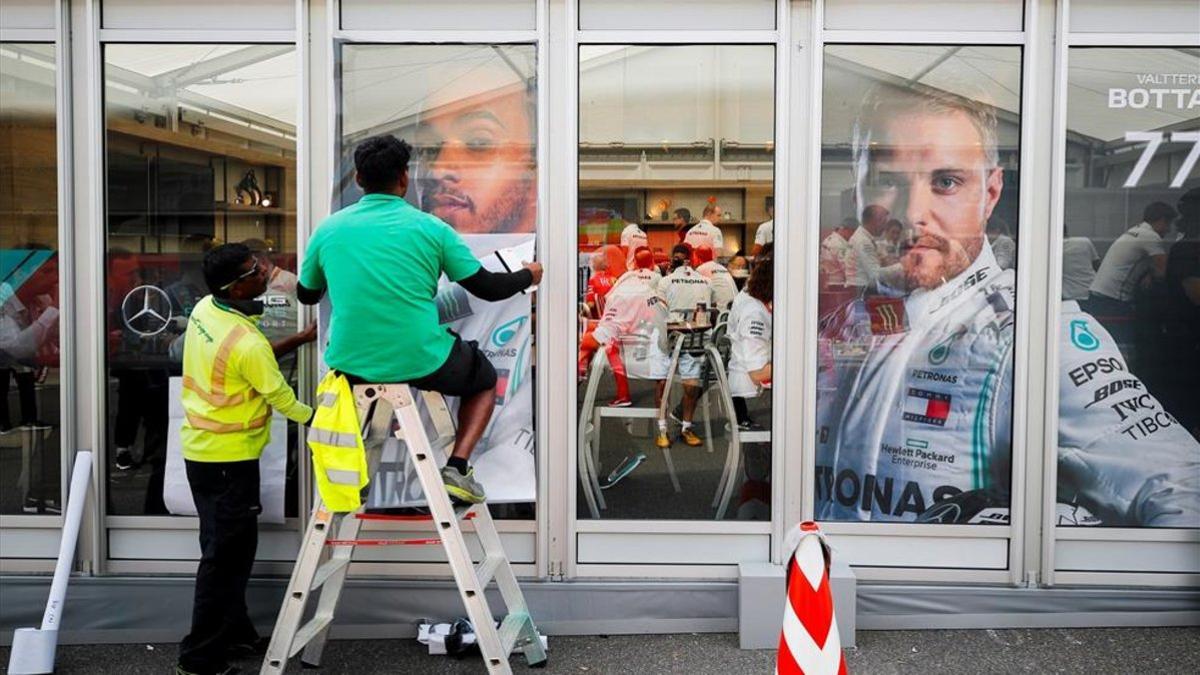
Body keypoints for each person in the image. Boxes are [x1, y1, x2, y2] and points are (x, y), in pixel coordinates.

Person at [816, 84, 1199, 526]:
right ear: (859, 189)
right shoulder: (843, 323)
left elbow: (1182, 489)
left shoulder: (1035, 333)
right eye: (887, 180)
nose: (913, 212)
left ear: (990, 192)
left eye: (946, 182)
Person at [298, 135, 542, 504]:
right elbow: (488, 288)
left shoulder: (329, 230)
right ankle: (457, 468)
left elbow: (306, 294)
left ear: (360, 180)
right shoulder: (432, 229)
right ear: (403, 179)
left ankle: (353, 478)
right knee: (484, 379)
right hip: (421, 359)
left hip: (351, 364)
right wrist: (529, 275)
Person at [176, 243, 316, 675]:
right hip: (229, 461)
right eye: (255, 270)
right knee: (225, 559)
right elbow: (279, 394)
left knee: (225, 549)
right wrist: (324, 422)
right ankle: (199, 657)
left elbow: (247, 363)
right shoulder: (247, 342)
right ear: (236, 288)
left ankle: (233, 632)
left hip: (202, 453)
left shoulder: (206, 309)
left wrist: (299, 338)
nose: (265, 272)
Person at [414, 64, 536, 235]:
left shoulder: (559, 257)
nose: (437, 170)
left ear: (533, 168)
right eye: (428, 147)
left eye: (478, 142)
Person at [579, 248, 668, 408]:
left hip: (638, 352)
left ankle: (576, 377)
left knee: (581, 343)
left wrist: (577, 339)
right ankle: (621, 394)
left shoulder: (621, 293)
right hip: (652, 345)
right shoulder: (641, 285)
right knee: (590, 335)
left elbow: (604, 335)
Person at [656, 243, 713, 448]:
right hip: (694, 339)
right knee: (685, 386)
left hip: (674, 338)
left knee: (670, 385)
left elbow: (660, 310)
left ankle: (677, 428)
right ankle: (669, 428)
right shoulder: (706, 281)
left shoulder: (665, 281)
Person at [1087, 202, 1177, 321]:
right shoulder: (1150, 236)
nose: (1169, 230)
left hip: (1098, 294)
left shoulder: (1136, 230)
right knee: (1123, 337)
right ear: (1162, 220)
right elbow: (1163, 271)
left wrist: (1149, 273)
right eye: (1168, 224)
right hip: (1113, 299)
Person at [727, 247, 773, 431]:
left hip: (749, 387)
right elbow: (758, 373)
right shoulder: (754, 313)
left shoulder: (752, 296)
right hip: (753, 394)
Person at [845, 204, 892, 288]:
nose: (885, 228)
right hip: (861, 290)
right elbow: (875, 275)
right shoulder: (863, 241)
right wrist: (901, 267)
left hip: (860, 289)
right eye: (884, 222)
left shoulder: (864, 238)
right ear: (875, 221)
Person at [1061, 227, 1100, 301]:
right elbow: (1097, 266)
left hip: (1070, 296)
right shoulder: (1085, 242)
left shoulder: (1054, 248)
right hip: (1092, 292)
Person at [584, 245, 623, 318]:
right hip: (617, 317)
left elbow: (590, 304)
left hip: (601, 320)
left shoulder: (593, 281)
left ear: (593, 266)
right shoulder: (614, 280)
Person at [694, 245, 737, 310]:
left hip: (720, 311)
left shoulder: (700, 269)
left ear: (698, 258)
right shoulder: (722, 268)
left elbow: (695, 294)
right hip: (735, 308)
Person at [819, 218, 856, 287]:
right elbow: (847, 267)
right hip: (839, 285)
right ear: (847, 230)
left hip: (827, 282)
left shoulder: (828, 240)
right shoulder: (840, 245)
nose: (853, 236)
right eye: (853, 232)